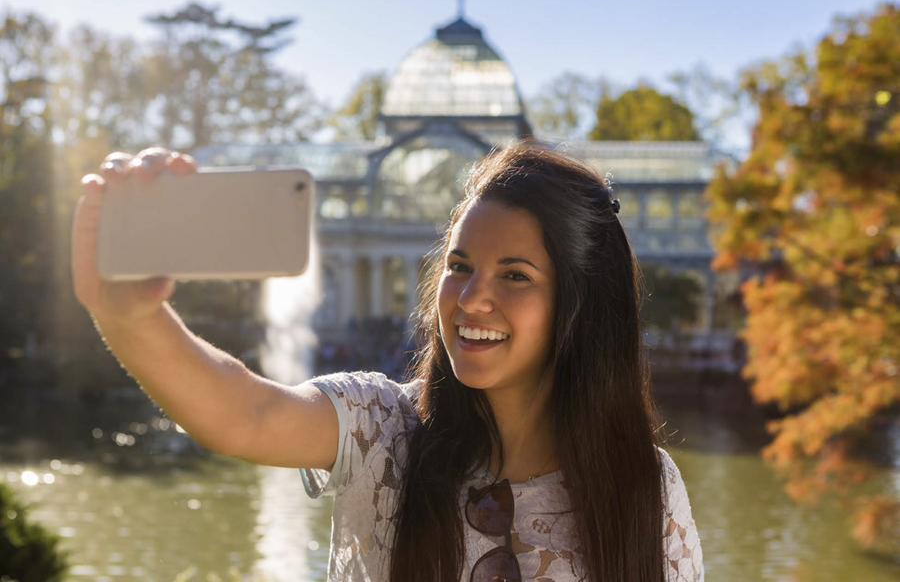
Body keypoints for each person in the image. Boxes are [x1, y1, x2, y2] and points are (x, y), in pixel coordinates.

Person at [72, 142, 704, 582]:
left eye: (515, 275)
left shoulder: (645, 488)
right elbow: (248, 412)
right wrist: (129, 316)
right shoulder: (385, 429)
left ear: (581, 302)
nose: (472, 296)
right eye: (460, 267)